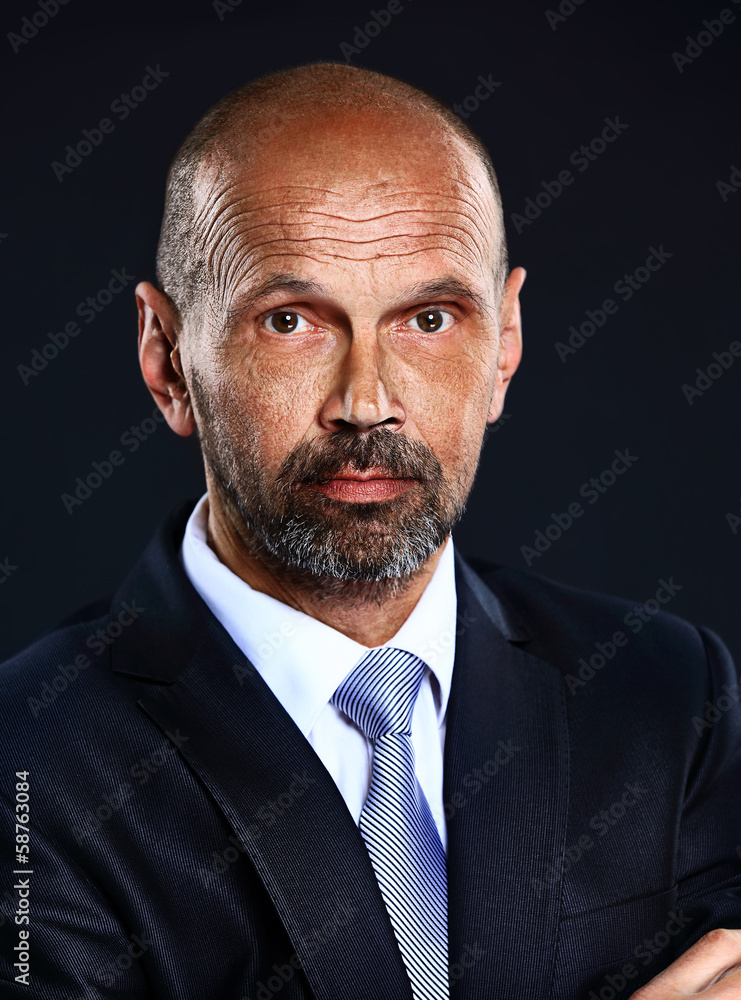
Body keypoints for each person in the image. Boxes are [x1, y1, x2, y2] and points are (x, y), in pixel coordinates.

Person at [0, 62, 739, 1000]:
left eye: (428, 319)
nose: (367, 402)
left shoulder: (667, 694)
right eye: (290, 321)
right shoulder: (25, 761)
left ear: (504, 343)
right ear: (168, 361)